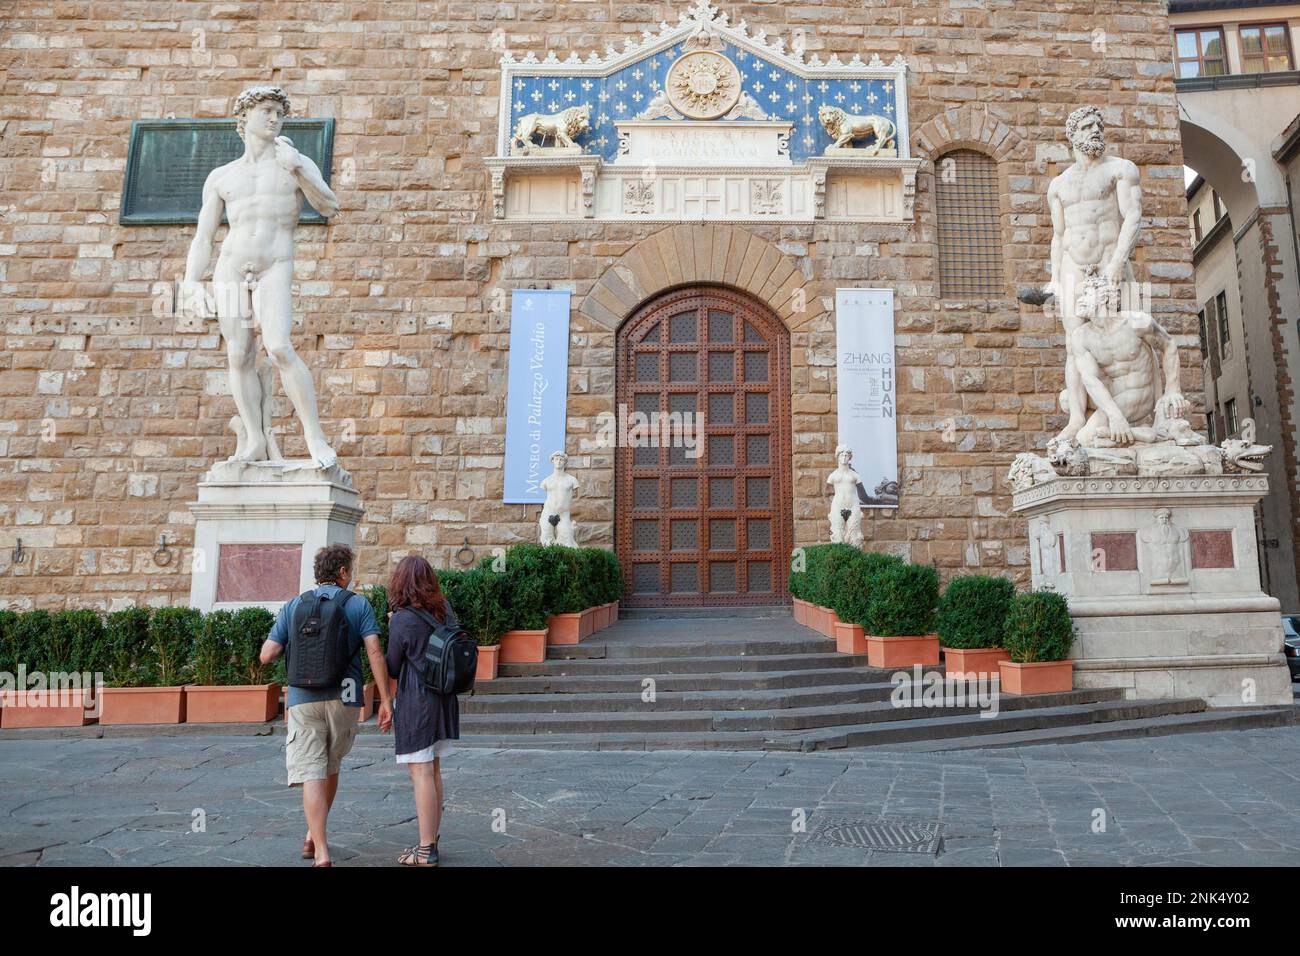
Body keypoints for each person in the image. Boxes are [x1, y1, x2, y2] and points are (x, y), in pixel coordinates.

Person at [182, 85, 341, 467]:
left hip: (275, 264)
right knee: (238, 354)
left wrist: (300, 167)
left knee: (280, 347)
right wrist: (190, 282)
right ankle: (254, 439)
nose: (274, 118)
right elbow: (204, 236)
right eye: (266, 110)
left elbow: (329, 206)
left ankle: (315, 439)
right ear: (246, 118)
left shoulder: (294, 162)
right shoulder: (222, 176)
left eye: (279, 113)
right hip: (231, 267)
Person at [259, 544, 393, 867]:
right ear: (343, 572)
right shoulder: (358, 604)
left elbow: (267, 655)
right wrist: (386, 700)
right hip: (345, 696)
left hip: (302, 698)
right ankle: (312, 833)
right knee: (331, 766)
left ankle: (319, 849)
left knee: (311, 772)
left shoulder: (294, 606)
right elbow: (374, 652)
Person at [384, 555, 462, 866]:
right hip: (445, 697)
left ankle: (426, 847)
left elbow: (392, 666)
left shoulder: (402, 619)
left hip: (418, 700)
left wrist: (392, 628)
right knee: (434, 769)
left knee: (421, 771)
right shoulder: (444, 610)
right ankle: (432, 838)